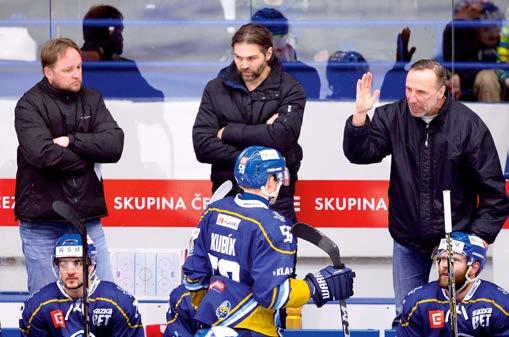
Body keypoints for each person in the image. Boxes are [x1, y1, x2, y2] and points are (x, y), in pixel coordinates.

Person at [342, 59, 509, 327]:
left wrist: (477, 241)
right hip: (408, 239)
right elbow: (360, 153)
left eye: (421, 92)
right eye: (408, 89)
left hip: (457, 244)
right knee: (406, 317)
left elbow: (494, 196)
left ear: (443, 91)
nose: (412, 98)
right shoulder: (393, 116)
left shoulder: (468, 126)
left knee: (457, 320)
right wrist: (360, 117)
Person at [177, 145, 355, 337]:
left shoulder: (214, 211)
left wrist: (214, 312)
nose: (281, 183)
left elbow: (193, 278)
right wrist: (314, 286)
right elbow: (272, 294)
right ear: (269, 181)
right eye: (278, 177)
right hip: (254, 330)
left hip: (211, 327)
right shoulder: (274, 226)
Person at [14, 37, 124, 293]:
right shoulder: (28, 105)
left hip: (86, 219)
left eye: (79, 67)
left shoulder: (93, 100)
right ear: (48, 73)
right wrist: (88, 155)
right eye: (68, 70)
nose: (77, 75)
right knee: (45, 305)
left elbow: (114, 145)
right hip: (41, 222)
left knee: (105, 298)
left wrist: (71, 141)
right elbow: (43, 155)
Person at [192, 23, 306, 223]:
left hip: (274, 195)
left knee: (278, 253)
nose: (244, 64)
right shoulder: (215, 88)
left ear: (268, 54)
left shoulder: (290, 89)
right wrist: (261, 147)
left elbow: (282, 136)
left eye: (252, 58)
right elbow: (202, 146)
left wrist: (227, 132)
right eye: (238, 58)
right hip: (227, 190)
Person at [19, 233, 144, 337]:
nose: (70, 271)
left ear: (91, 265)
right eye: (63, 263)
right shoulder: (37, 306)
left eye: (77, 262)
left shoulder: (120, 303)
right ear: (57, 266)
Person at [397, 231, 509, 336]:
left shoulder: (500, 305)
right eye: (442, 259)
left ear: (474, 267)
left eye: (453, 260)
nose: (445, 265)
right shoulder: (417, 302)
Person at [81, 4, 164, 101]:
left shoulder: (69, 68)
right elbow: (155, 98)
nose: (122, 38)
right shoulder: (123, 68)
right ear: (108, 33)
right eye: (119, 32)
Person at [251, 7, 321, 99]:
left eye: (281, 36)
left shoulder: (307, 74)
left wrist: (291, 67)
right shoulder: (235, 78)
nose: (275, 44)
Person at [442, 0, 504, 101]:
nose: (492, 33)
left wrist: (461, 77)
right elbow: (452, 62)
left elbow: (490, 61)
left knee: (487, 79)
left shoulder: (489, 21)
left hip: (486, 77)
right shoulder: (454, 29)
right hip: (461, 78)